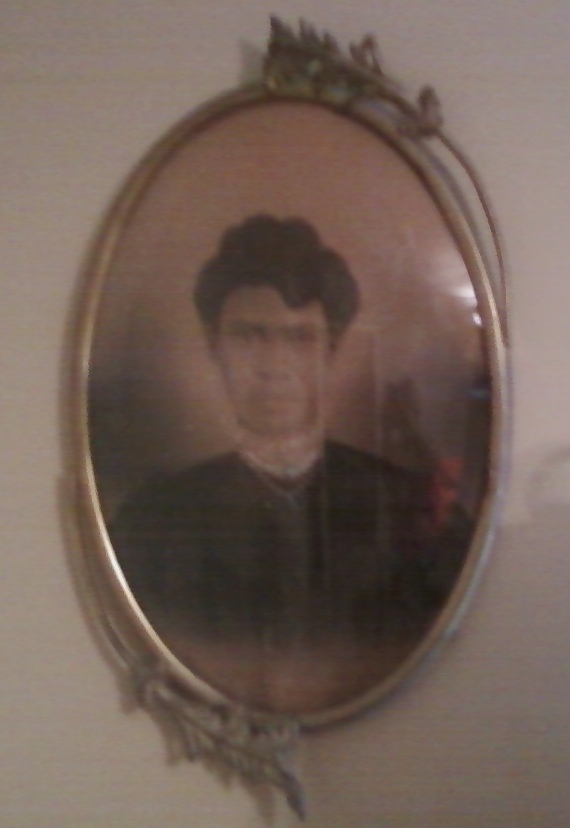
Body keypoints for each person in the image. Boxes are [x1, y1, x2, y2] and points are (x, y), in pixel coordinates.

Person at [110, 215, 470, 708]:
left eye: (299, 338)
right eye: (249, 335)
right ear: (214, 347)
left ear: (330, 351)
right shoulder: (153, 522)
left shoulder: (409, 506)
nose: (273, 366)